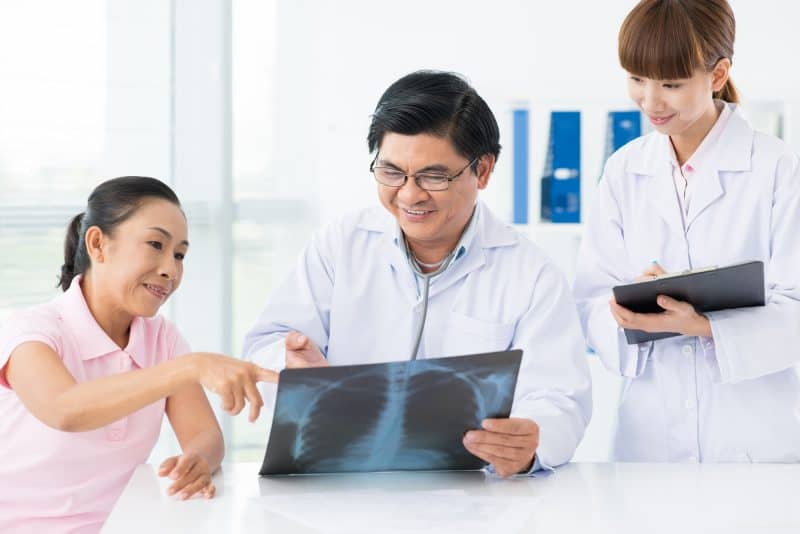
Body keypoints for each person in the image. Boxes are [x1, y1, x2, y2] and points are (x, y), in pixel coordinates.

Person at [243, 70, 592, 477]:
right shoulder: (342, 244)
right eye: (392, 172)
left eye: (434, 176)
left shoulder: (531, 273)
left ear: (482, 171)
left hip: (472, 495)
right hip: (343, 480)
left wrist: (531, 441)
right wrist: (288, 363)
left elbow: (560, 397)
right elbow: (262, 346)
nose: (410, 194)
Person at [573, 0, 800, 462]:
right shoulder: (624, 170)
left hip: (755, 444)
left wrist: (704, 327)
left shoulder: (777, 169)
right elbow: (591, 297)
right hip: (651, 440)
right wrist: (629, 307)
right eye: (637, 79)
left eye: (671, 84)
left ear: (717, 76)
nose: (650, 102)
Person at [0, 177, 276, 533]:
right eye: (155, 245)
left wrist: (198, 460)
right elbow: (63, 408)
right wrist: (191, 367)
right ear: (98, 244)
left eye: (179, 254)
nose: (170, 269)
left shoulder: (162, 340)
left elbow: (205, 436)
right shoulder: (29, 331)